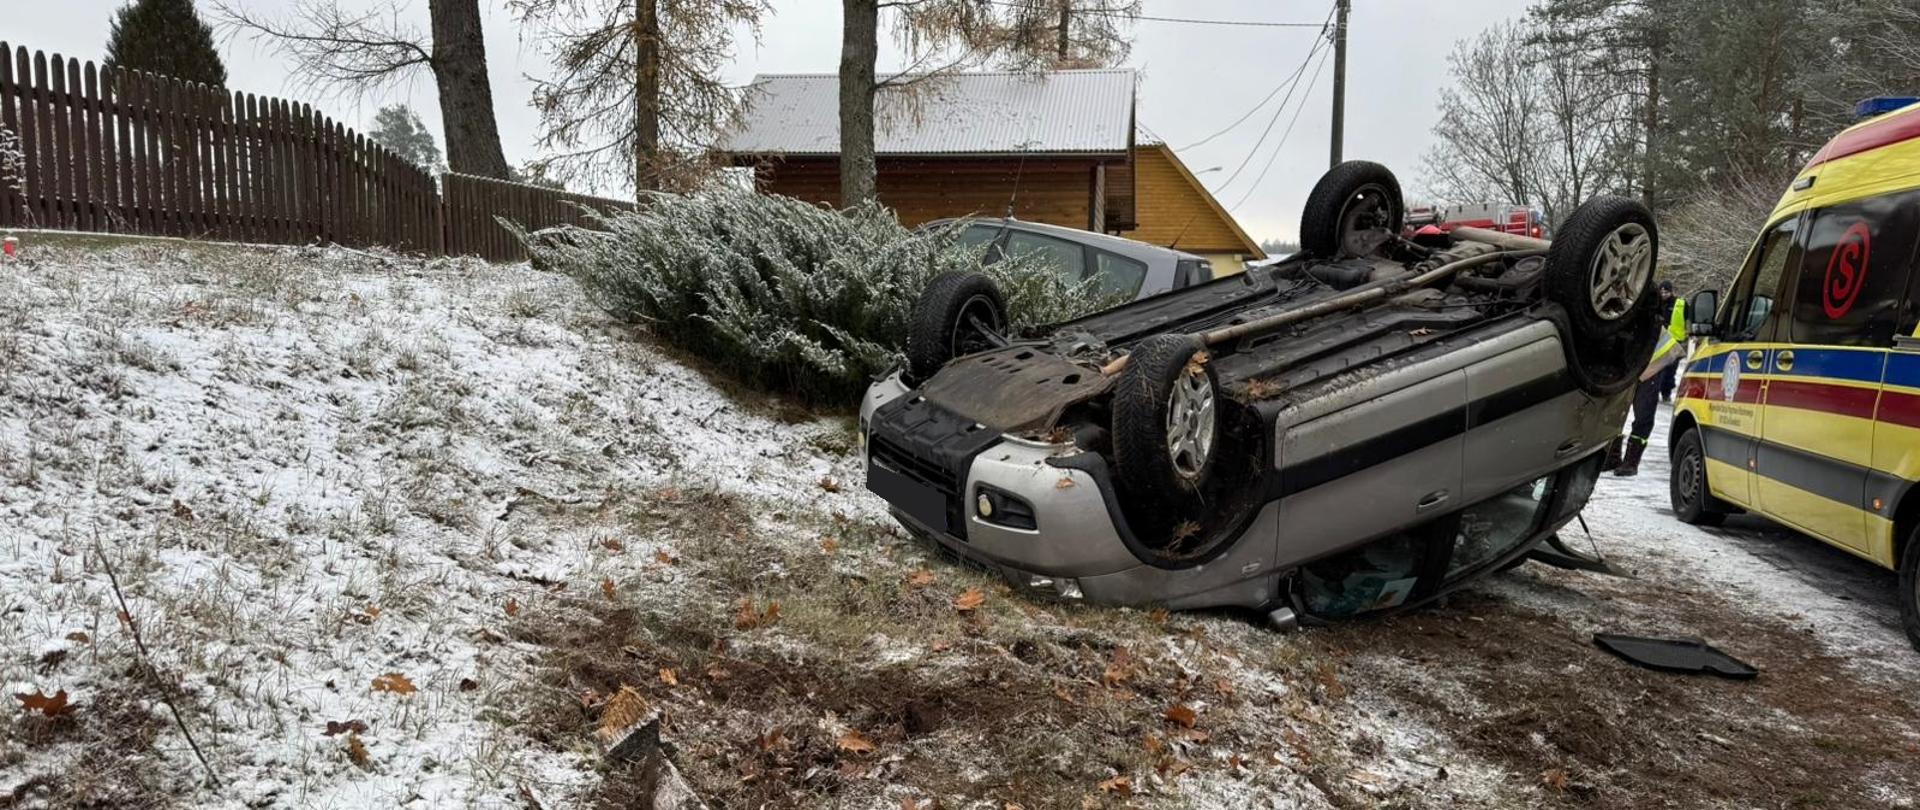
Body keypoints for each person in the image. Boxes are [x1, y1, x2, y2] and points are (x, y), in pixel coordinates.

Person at [1612, 296, 1685, 477]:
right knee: (1614, 412)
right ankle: (1612, 456)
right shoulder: (1621, 314)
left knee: (1643, 414)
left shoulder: (1637, 316)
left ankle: (1631, 462)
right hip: (1634, 363)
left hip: (1652, 363)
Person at [1656, 281, 1685, 402]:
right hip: (1658, 341)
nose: (1663, 294)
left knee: (1670, 371)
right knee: (1656, 370)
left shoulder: (1680, 304)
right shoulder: (1655, 303)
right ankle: (1654, 392)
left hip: (1674, 342)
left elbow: (1687, 320)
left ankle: (1666, 393)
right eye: (1661, 292)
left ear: (1671, 291)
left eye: (1666, 292)